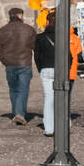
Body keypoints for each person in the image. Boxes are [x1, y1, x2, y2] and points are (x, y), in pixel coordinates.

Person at [0, 6, 36, 125]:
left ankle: (16, 112)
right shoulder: (29, 29)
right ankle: (19, 114)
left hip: (10, 64)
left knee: (13, 89)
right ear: (20, 16)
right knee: (23, 89)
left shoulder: (2, 30)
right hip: (24, 63)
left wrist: (5, 61)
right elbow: (35, 46)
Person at [33, 10, 57, 138]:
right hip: (60, 70)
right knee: (61, 98)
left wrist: (41, 68)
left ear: (47, 22)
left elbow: (37, 56)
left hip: (46, 69)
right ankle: (62, 125)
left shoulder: (40, 37)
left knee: (49, 99)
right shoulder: (63, 36)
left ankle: (49, 128)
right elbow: (69, 56)